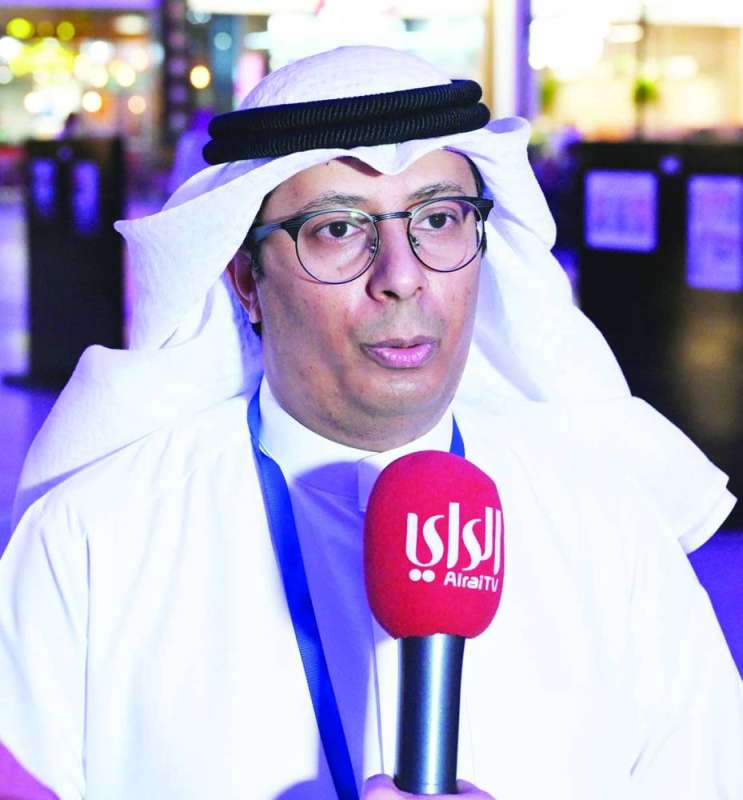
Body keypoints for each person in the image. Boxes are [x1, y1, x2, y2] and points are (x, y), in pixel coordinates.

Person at [1, 46, 742, 800]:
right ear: (247, 280)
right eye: (337, 228)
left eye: (439, 219)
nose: (401, 276)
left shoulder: (607, 526)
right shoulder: (95, 541)